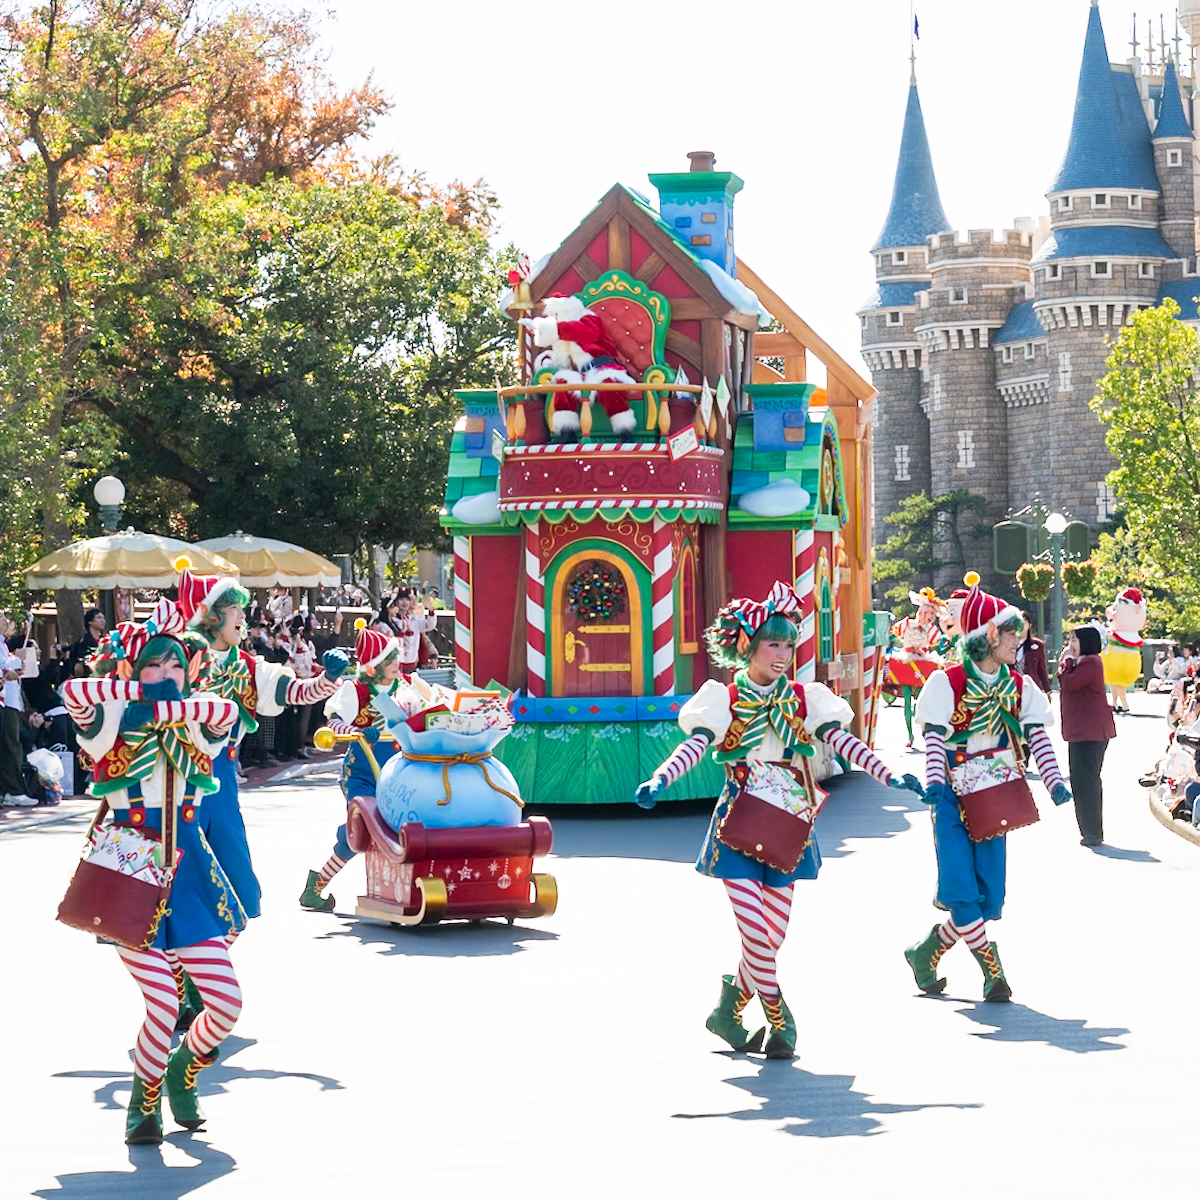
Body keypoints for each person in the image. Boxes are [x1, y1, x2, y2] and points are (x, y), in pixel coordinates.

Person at [633, 582, 924, 1059]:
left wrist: (890, 775)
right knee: (754, 931)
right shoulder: (722, 698)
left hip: (791, 820)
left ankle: (726, 1011)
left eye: (789, 644)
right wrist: (662, 778)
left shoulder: (808, 699)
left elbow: (843, 744)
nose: (784, 653)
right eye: (773, 643)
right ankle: (780, 1018)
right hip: (739, 818)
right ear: (747, 646)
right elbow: (696, 745)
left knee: (772, 936)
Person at [61, 599, 245, 1144]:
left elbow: (224, 716)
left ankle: (181, 1074)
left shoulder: (206, 711)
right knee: (164, 1002)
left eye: (174, 668)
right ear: (129, 670)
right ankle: (143, 1103)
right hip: (131, 865)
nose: (166, 676)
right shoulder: (106, 717)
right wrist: (143, 698)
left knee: (227, 1003)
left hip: (188, 870)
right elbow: (76, 693)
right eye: (152, 666)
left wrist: (162, 705)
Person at [904, 582, 1072, 1003]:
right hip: (951, 796)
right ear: (989, 636)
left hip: (995, 793)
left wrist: (1055, 782)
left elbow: (1037, 734)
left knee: (988, 892)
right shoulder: (947, 683)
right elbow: (935, 740)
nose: (1020, 641)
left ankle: (925, 952)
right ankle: (993, 973)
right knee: (962, 887)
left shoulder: (1019, 686)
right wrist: (934, 782)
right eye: (1012, 633)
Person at [176, 567, 348, 931]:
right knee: (176, 887)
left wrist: (326, 681)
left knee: (239, 890)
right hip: (176, 781)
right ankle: (185, 971)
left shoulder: (247, 666)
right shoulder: (177, 661)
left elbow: (293, 693)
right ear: (211, 615)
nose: (243, 616)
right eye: (234, 608)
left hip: (221, 782)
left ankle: (204, 964)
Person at [299, 624, 410, 911]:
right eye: (390, 660)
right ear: (373, 669)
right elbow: (333, 722)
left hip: (400, 773)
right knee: (361, 829)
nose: (397, 663)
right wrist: (358, 730)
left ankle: (405, 887)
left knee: (408, 827)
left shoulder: (407, 685)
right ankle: (317, 886)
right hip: (362, 773)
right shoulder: (355, 691)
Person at [1058, 625, 1117, 847]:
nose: (1071, 645)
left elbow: (1070, 683)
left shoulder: (1092, 661)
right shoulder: (1082, 662)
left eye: (1076, 640)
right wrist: (1068, 663)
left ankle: (1093, 831)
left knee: (1087, 781)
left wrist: (1068, 661)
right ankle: (1088, 830)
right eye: (1070, 639)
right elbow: (1065, 680)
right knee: (1079, 780)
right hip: (1080, 731)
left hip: (1090, 732)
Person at [0, 634, 34, 805]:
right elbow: (3, 669)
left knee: (12, 744)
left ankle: (10, 789)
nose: (5, 621)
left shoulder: (3, 644)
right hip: (6, 701)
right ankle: (13, 790)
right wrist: (17, 659)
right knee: (11, 745)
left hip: (10, 701)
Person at [1015, 609, 1052, 694]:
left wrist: (1047, 690)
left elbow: (1042, 669)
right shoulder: (1008, 643)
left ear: (1029, 625)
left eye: (1024, 623)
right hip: (1013, 686)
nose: (1021, 626)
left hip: (1032, 687)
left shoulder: (1037, 645)